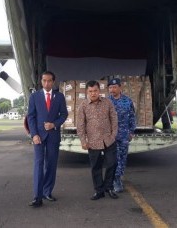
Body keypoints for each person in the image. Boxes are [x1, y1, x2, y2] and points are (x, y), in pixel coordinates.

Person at [27, 71, 68, 208]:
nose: (46, 83)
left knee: (51, 165)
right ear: (41, 81)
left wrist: (54, 124)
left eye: (49, 81)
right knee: (38, 164)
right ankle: (37, 196)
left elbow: (64, 114)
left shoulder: (60, 97)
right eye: (44, 81)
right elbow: (31, 117)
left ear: (53, 82)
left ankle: (47, 192)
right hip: (38, 136)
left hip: (53, 135)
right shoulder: (34, 97)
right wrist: (34, 134)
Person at [77, 80, 119, 200]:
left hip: (108, 139)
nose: (93, 93)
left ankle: (109, 187)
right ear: (87, 92)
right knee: (96, 166)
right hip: (93, 141)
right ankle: (99, 190)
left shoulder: (108, 102)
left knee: (112, 163)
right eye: (90, 91)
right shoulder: (83, 105)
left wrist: (113, 135)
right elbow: (80, 124)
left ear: (99, 91)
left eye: (95, 91)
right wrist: (83, 140)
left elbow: (114, 119)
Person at [108, 78, 136, 193]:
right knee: (114, 159)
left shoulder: (127, 101)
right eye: (110, 87)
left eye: (114, 87)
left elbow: (132, 117)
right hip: (111, 136)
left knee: (122, 158)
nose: (112, 89)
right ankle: (114, 179)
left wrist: (131, 132)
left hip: (124, 135)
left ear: (120, 88)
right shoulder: (105, 101)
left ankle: (118, 178)